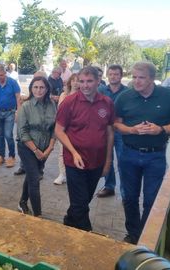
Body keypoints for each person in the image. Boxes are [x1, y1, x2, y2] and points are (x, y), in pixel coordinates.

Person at [114, 61, 170, 244]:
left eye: (141, 78)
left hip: (156, 156)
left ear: (153, 78)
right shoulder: (124, 97)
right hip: (128, 154)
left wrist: (160, 129)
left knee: (151, 199)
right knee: (129, 197)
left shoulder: (168, 96)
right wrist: (131, 130)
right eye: (135, 77)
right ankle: (133, 234)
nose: (136, 81)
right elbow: (116, 123)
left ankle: (146, 237)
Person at [55, 66, 115, 231]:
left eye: (89, 81)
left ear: (98, 81)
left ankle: (69, 221)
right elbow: (58, 130)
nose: (85, 85)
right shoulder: (69, 102)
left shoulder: (107, 103)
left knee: (83, 200)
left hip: (97, 162)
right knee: (80, 203)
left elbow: (110, 133)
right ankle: (87, 234)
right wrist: (73, 152)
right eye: (81, 81)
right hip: (75, 162)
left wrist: (108, 161)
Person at [17, 76, 57, 216]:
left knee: (30, 175)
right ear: (31, 89)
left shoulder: (52, 105)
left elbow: (54, 128)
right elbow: (22, 132)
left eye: (42, 87)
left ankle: (22, 202)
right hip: (27, 148)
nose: (38, 90)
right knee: (35, 179)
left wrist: (50, 147)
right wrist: (36, 151)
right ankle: (38, 215)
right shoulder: (26, 106)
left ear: (47, 89)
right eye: (35, 87)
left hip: (45, 148)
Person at [96, 64, 129, 197]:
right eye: (111, 74)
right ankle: (109, 186)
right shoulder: (100, 90)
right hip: (105, 131)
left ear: (121, 76)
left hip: (121, 132)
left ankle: (125, 191)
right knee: (106, 159)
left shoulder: (128, 92)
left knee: (122, 161)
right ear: (107, 75)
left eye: (116, 74)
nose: (113, 76)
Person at [14, 70, 48, 176]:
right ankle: (24, 167)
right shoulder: (29, 97)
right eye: (34, 79)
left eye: (38, 78)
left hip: (41, 139)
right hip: (26, 138)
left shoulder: (47, 100)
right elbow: (18, 120)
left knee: (35, 171)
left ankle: (39, 170)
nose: (38, 89)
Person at [0, 64, 21, 168]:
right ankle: (1, 156)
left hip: (10, 112)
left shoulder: (13, 83)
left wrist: (18, 112)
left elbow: (18, 98)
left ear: (5, 74)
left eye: (2, 75)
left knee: (8, 135)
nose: (0, 77)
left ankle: (12, 156)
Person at [53, 73, 79, 185]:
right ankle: (62, 174)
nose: (76, 83)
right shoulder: (64, 95)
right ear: (70, 82)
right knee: (62, 152)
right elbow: (59, 111)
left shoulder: (83, 95)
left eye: (78, 80)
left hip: (76, 129)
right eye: (74, 80)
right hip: (63, 128)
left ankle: (75, 174)